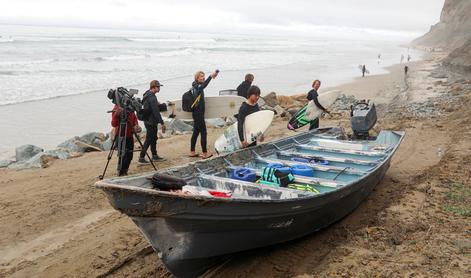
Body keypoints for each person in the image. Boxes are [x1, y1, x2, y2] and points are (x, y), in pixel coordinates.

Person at [189, 70, 219, 159]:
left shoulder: (195, 86)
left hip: (196, 113)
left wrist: (211, 77)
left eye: (204, 76)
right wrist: (210, 77)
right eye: (201, 76)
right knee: (203, 133)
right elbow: (204, 86)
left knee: (196, 132)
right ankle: (205, 153)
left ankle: (192, 151)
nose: (203, 77)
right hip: (198, 114)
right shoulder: (198, 87)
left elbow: (203, 86)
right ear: (197, 78)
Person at [138, 80, 167, 164]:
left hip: (147, 120)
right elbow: (156, 111)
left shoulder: (147, 94)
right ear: (153, 87)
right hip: (151, 121)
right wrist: (162, 123)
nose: (159, 88)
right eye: (158, 87)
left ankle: (154, 156)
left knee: (154, 138)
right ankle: (141, 157)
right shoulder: (152, 97)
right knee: (149, 139)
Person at [111, 104, 141, 176]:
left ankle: (125, 171)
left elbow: (134, 118)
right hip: (120, 135)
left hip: (129, 135)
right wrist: (116, 114)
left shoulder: (130, 106)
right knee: (122, 155)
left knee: (129, 155)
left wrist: (136, 126)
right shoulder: (117, 107)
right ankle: (121, 172)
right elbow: (114, 124)